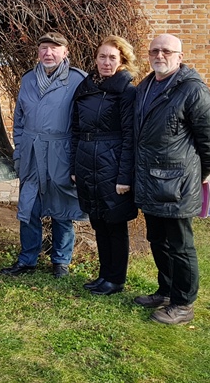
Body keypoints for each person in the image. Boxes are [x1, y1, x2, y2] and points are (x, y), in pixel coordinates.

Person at [133, 34, 210, 325]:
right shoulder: (146, 86)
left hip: (177, 185)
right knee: (157, 240)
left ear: (180, 57)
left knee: (180, 245)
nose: (160, 55)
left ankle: (183, 303)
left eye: (167, 51)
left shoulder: (192, 90)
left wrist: (197, 173)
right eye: (155, 51)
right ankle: (166, 291)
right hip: (150, 180)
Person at [0, 32, 86, 279]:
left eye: (54, 48)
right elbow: (19, 119)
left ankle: (61, 261)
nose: (48, 53)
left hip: (61, 153)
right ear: (38, 52)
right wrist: (19, 150)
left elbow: (83, 122)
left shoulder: (78, 80)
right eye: (44, 48)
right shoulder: (28, 79)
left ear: (65, 52)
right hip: (31, 154)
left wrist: (75, 161)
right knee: (29, 207)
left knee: (63, 209)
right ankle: (27, 259)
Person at [70, 36, 139, 295]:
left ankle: (116, 279)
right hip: (88, 162)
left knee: (115, 223)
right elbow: (75, 129)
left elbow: (130, 136)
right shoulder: (85, 88)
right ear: (95, 59)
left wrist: (125, 176)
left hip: (113, 163)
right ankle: (103, 275)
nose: (106, 62)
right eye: (102, 57)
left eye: (112, 57)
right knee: (98, 221)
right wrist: (75, 167)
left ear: (122, 61)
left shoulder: (127, 91)